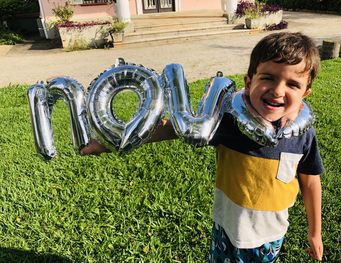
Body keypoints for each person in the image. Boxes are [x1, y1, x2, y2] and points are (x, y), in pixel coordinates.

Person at [81, 32, 324, 262]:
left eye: (292, 84)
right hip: (226, 230)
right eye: (268, 78)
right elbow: (171, 128)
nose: (278, 90)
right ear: (248, 83)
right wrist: (105, 143)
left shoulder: (303, 135)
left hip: (270, 237)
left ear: (306, 93)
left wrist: (315, 232)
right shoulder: (229, 123)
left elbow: (311, 181)